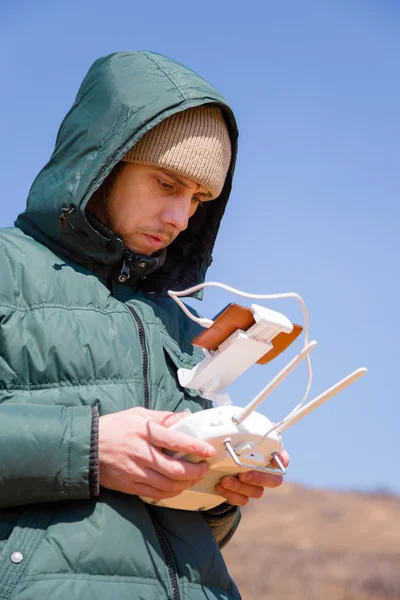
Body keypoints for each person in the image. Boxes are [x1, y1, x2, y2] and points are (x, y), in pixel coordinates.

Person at [0, 51, 289, 600]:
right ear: (103, 163)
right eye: (166, 183)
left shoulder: (180, 321)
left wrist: (220, 490)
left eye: (199, 198)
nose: (181, 217)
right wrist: (86, 447)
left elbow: (185, 533)